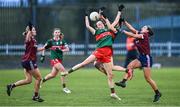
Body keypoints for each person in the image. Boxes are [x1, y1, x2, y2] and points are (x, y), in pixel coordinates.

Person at [66, 5, 126, 101]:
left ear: (103, 24)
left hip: (107, 54)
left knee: (110, 75)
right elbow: (87, 26)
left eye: (100, 23)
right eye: (98, 24)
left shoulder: (108, 29)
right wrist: (86, 15)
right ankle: (67, 72)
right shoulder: (96, 32)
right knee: (84, 63)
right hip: (99, 51)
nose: (99, 25)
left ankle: (113, 94)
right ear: (97, 26)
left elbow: (115, 21)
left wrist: (119, 11)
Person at [115, 20, 162, 102]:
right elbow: (132, 29)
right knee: (129, 66)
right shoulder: (140, 33)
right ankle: (123, 82)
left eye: (144, 27)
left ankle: (157, 93)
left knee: (147, 78)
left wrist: (122, 31)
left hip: (146, 58)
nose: (142, 27)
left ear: (147, 30)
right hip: (141, 57)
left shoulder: (144, 35)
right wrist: (125, 21)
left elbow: (132, 34)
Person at [6, 23, 44, 102]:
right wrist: (30, 28)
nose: (35, 30)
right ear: (30, 31)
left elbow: (35, 50)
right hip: (29, 61)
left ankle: (11, 86)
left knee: (28, 80)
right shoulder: (29, 38)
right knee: (39, 78)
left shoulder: (33, 40)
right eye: (33, 30)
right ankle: (35, 96)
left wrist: (45, 47)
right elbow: (27, 38)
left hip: (26, 61)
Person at [39, 28, 71, 94]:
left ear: (60, 33)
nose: (57, 34)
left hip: (59, 60)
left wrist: (61, 50)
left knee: (53, 75)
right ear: (53, 33)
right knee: (64, 71)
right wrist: (42, 55)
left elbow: (68, 49)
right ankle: (64, 88)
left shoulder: (62, 41)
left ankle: (41, 80)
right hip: (54, 59)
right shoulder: (50, 41)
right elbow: (44, 48)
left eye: (58, 32)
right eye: (56, 32)